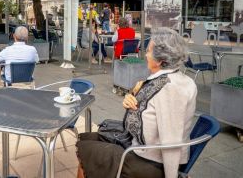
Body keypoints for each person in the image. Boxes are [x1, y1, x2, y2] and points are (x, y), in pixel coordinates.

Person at [76, 27, 197, 178]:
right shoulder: (171, 78)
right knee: (89, 139)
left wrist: (171, 176)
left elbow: (171, 142)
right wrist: (131, 96)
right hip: (139, 145)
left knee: (86, 154)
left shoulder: (170, 89)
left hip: (150, 162)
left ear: (160, 60)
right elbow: (150, 106)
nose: (145, 54)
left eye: (148, 51)